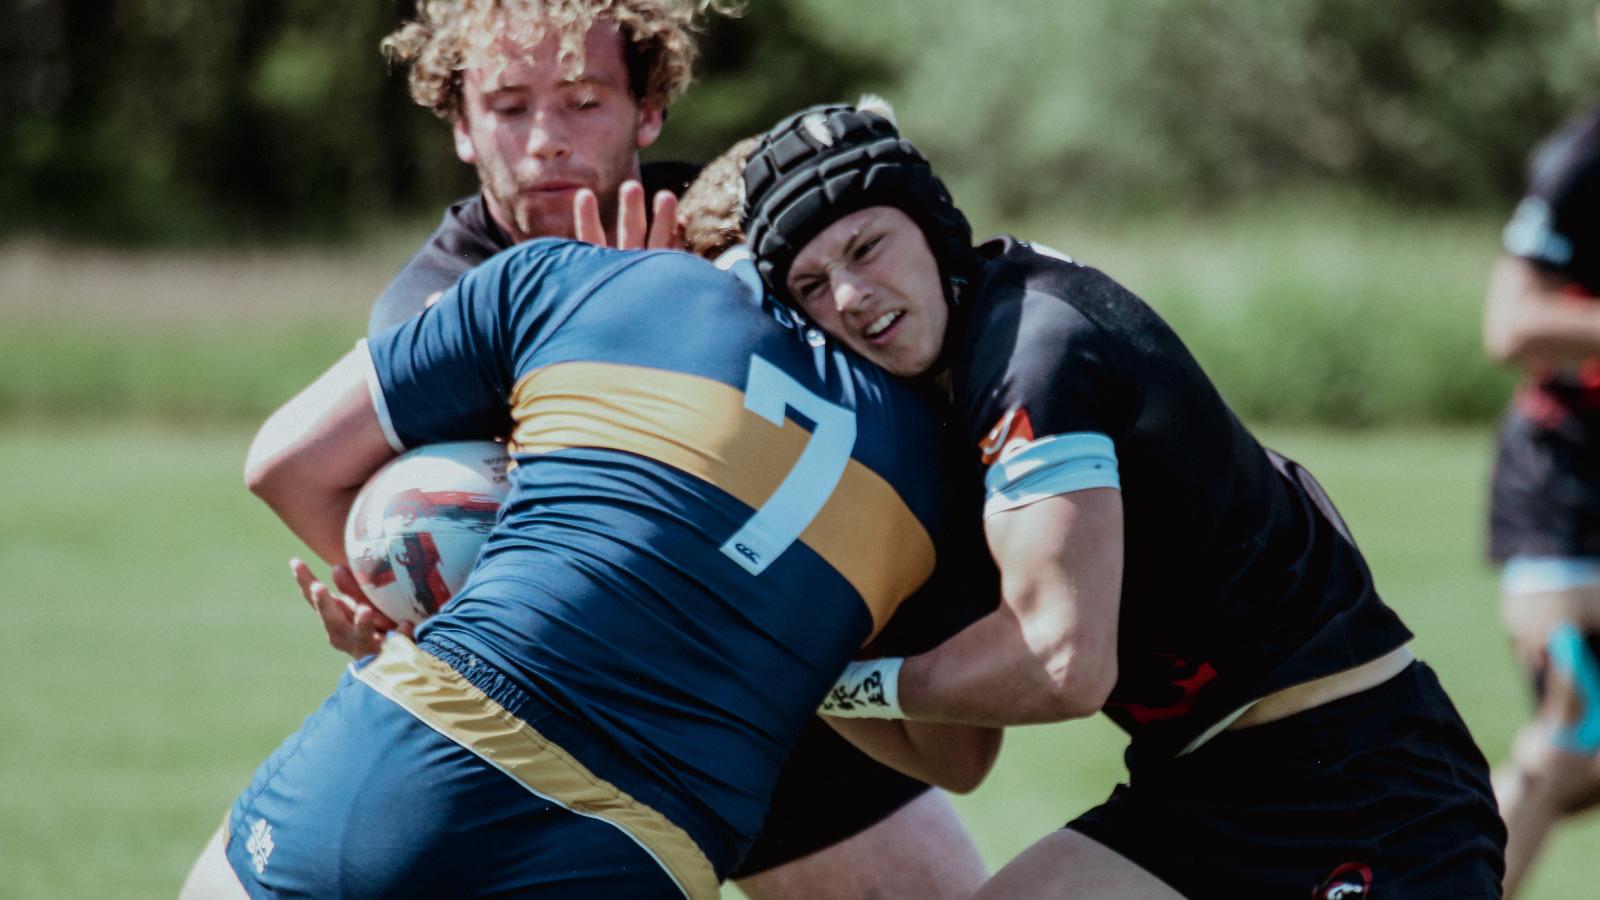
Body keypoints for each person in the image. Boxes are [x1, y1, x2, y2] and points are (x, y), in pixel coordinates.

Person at [728, 102, 1509, 898]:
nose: (853, 295)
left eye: (867, 247)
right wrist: (813, 666)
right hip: (1200, 789)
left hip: (1359, 780)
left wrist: (836, 679)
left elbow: (1061, 664)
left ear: (931, 226)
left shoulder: (1032, 352)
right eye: (814, 285)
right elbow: (955, 757)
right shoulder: (932, 413)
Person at [307, 3, 996, 895]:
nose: (546, 140)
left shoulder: (740, 230)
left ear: (652, 107)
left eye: (584, 101)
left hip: (797, 693)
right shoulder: (436, 310)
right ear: (462, 128)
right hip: (580, 726)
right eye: (510, 108)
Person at [179, 235, 1001, 897]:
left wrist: (402, 610)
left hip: (427, 739)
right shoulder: (939, 466)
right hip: (649, 842)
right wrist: (798, 660)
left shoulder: (576, 280)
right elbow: (959, 758)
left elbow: (283, 464)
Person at [1482, 7, 1600, 895]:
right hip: (1561, 488)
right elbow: (1510, 323)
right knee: (1578, 723)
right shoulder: (1583, 162)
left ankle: (1421, 844)